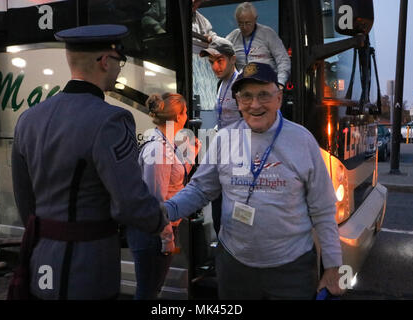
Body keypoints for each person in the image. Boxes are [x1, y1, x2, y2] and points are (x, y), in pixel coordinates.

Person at [9, 24, 173, 300]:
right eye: (119, 61)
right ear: (105, 61)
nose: (120, 69)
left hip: (42, 258)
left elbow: (25, 200)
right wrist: (160, 221)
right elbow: (129, 203)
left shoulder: (29, 118)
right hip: (89, 265)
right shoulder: (111, 120)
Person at [164, 62, 344, 299]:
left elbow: (323, 210)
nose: (255, 104)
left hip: (291, 270)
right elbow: (200, 189)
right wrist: (165, 212)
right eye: (246, 96)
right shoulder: (224, 139)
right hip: (235, 267)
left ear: (279, 98)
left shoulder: (303, 141)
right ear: (237, 101)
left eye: (263, 95)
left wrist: (333, 266)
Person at [126, 93, 195, 300]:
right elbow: (157, 201)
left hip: (159, 231)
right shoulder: (159, 149)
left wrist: (190, 154)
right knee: (148, 292)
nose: (187, 116)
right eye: (184, 112)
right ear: (177, 118)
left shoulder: (165, 142)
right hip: (154, 235)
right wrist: (167, 240)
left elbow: (173, 179)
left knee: (152, 289)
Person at [199, 38, 241, 236]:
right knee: (219, 211)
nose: (215, 66)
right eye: (211, 62)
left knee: (234, 214)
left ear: (233, 59)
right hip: (223, 155)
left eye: (220, 60)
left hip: (239, 160)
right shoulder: (221, 84)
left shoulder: (241, 86)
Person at [226, 2, 291, 88]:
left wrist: (280, 83)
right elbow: (219, 50)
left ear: (255, 19)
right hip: (244, 86)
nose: (244, 27)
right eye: (241, 23)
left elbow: (283, 60)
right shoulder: (233, 36)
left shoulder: (268, 34)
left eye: (248, 23)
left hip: (267, 84)